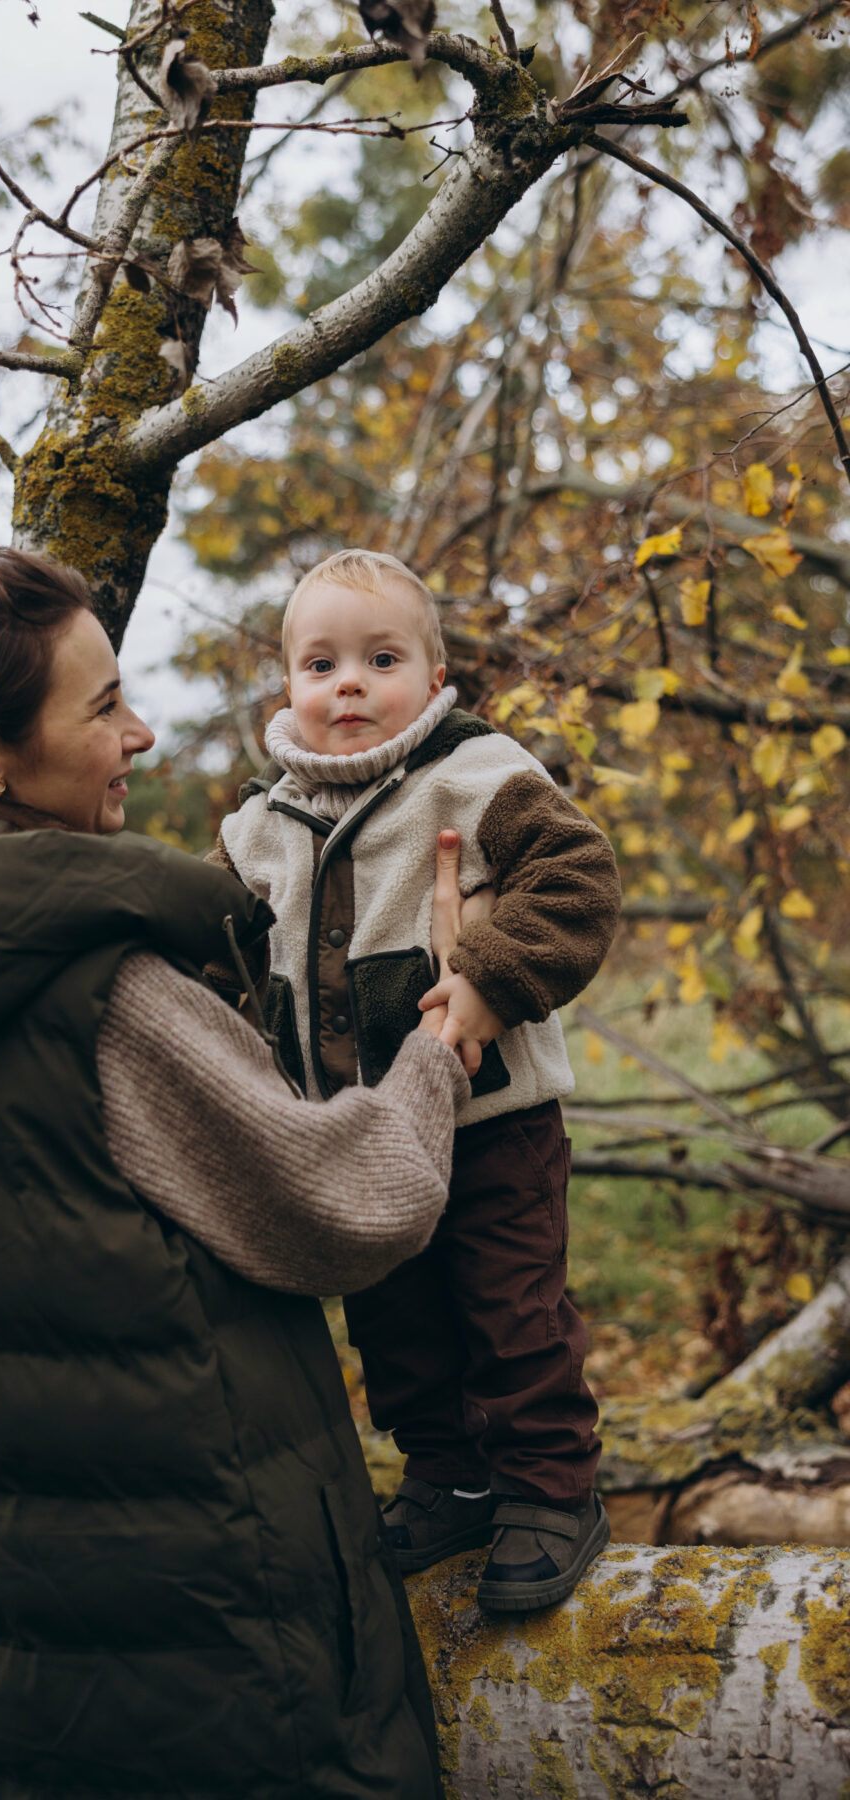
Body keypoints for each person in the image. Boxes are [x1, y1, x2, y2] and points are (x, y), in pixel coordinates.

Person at [0, 548, 478, 1800]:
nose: (142, 733)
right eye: (103, 706)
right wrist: (444, 1043)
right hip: (220, 1697)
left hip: (11, 1696)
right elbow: (352, 1203)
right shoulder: (105, 996)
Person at [212, 547, 623, 1615]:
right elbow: (215, 962)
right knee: (394, 1319)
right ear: (289, 688)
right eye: (320, 664)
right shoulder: (256, 829)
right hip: (356, 1135)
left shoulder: (473, 771)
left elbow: (577, 877)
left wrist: (492, 976)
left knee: (508, 1304)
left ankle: (549, 1487)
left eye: (380, 657)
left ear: (435, 680)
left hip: (492, 1124)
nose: (347, 683)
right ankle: (450, 1475)